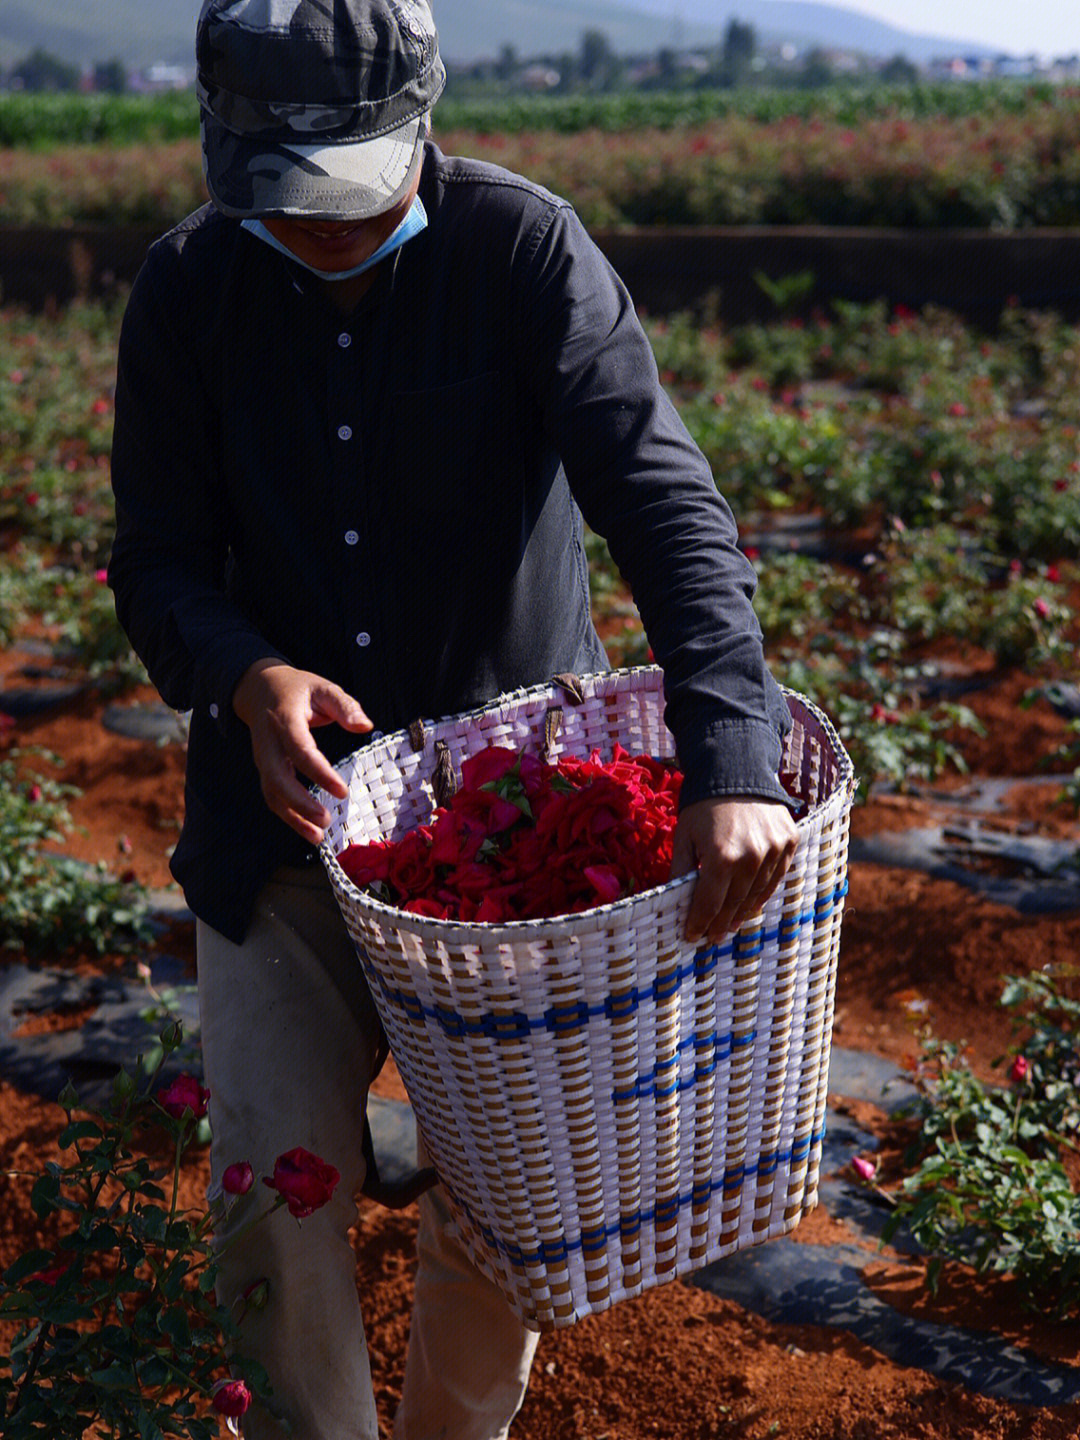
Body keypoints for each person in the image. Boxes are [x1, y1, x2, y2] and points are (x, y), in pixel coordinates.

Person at [108, 1, 799, 1435]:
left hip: (502, 854)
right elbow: (161, 557)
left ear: (423, 124)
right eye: (288, 203)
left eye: (353, 195)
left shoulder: (522, 249)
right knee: (270, 1194)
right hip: (285, 835)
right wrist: (250, 676)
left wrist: (732, 761)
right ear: (224, 153)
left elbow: (665, 509)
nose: (326, 231)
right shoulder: (188, 290)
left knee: (507, 1208)